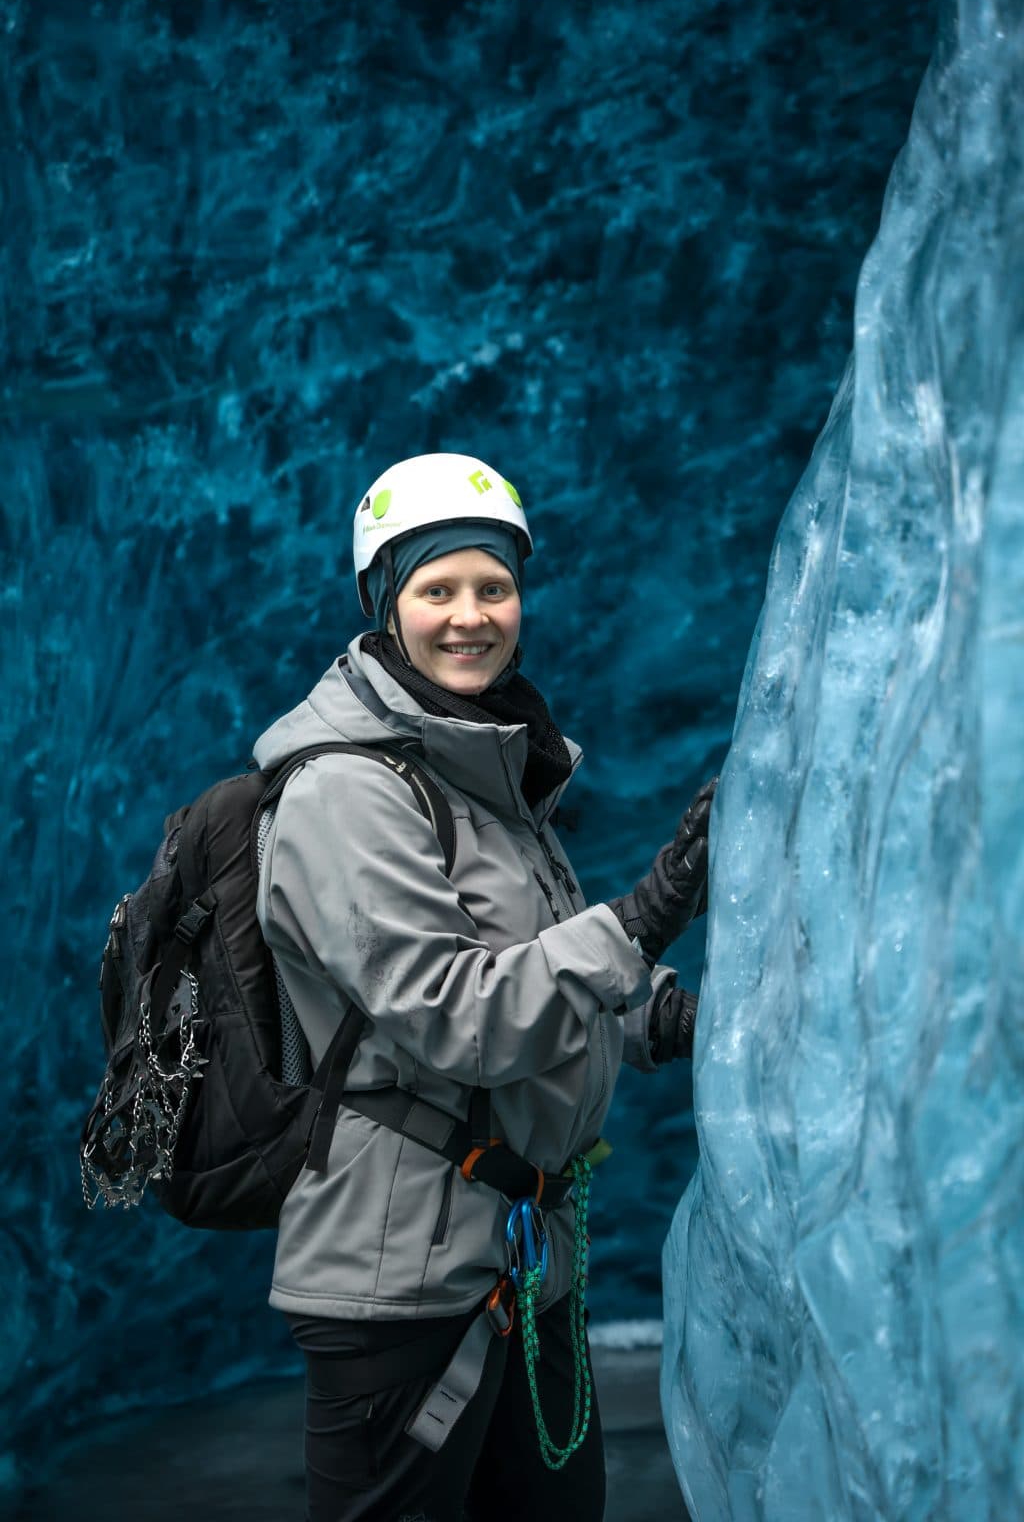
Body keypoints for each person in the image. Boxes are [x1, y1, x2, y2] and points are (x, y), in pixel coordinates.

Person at [254, 451, 716, 1522]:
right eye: (436, 589)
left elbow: (543, 982)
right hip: (400, 1285)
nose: (470, 616)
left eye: (493, 587)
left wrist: (678, 1018)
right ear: (384, 602)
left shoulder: (484, 774)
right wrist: (644, 914)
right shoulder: (346, 792)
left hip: (518, 1264)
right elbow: (459, 1021)